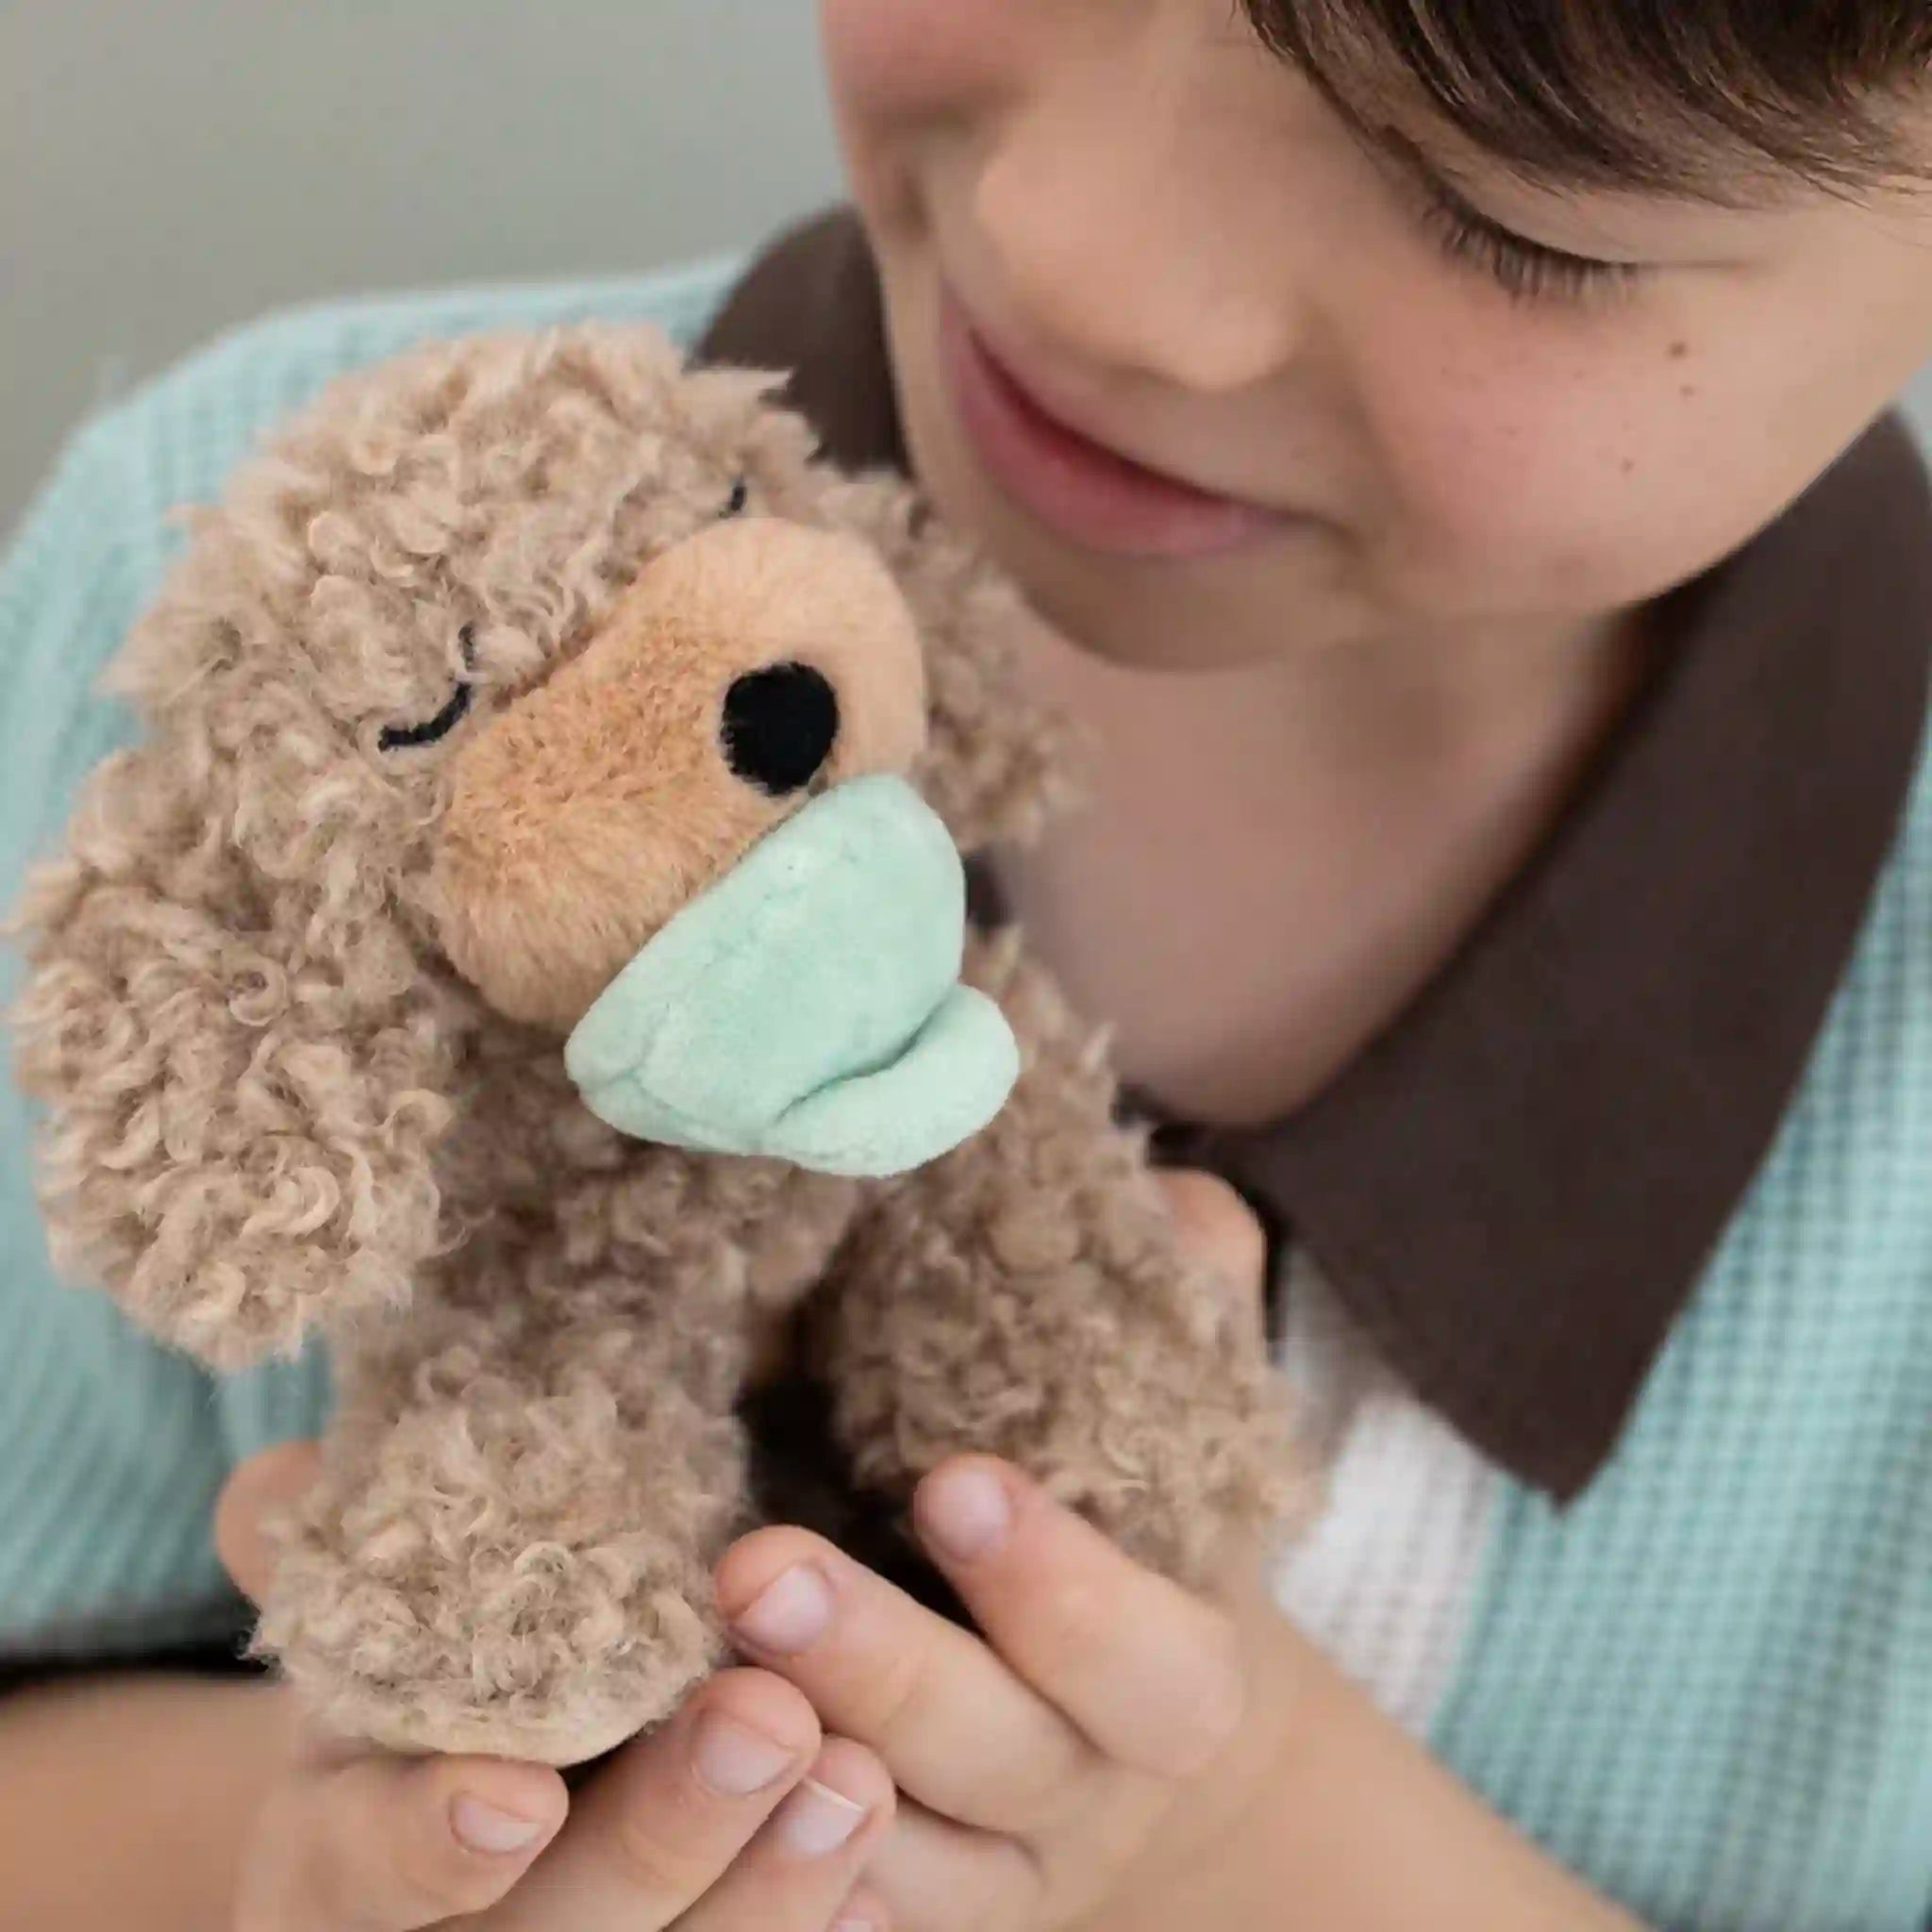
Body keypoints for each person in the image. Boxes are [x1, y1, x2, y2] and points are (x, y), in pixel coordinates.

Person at [6, 1, 1932, 1924]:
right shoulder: (235, 631)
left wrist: (1241, 1831)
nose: (1081, 261)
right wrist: (283, 1863)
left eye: (1520, 212)